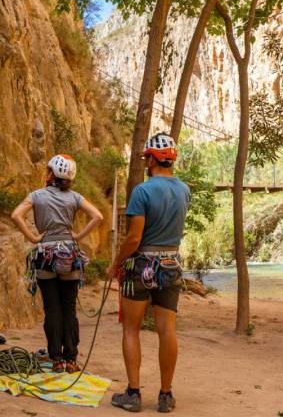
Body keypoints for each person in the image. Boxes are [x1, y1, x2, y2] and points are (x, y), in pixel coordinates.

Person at [108, 133, 190, 413]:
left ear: (153, 158)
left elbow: (133, 238)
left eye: (146, 157)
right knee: (167, 330)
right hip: (171, 265)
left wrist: (115, 263)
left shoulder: (142, 192)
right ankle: (165, 395)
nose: (145, 161)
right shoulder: (184, 190)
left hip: (141, 265)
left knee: (131, 329)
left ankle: (133, 394)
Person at [11, 154, 103, 373]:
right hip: (69, 255)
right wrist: (78, 236)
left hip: (45, 255)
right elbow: (97, 216)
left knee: (52, 308)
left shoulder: (36, 196)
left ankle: (57, 359)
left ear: (52, 174)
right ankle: (71, 359)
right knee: (68, 308)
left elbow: (16, 215)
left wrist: (33, 238)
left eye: (48, 170)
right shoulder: (75, 198)